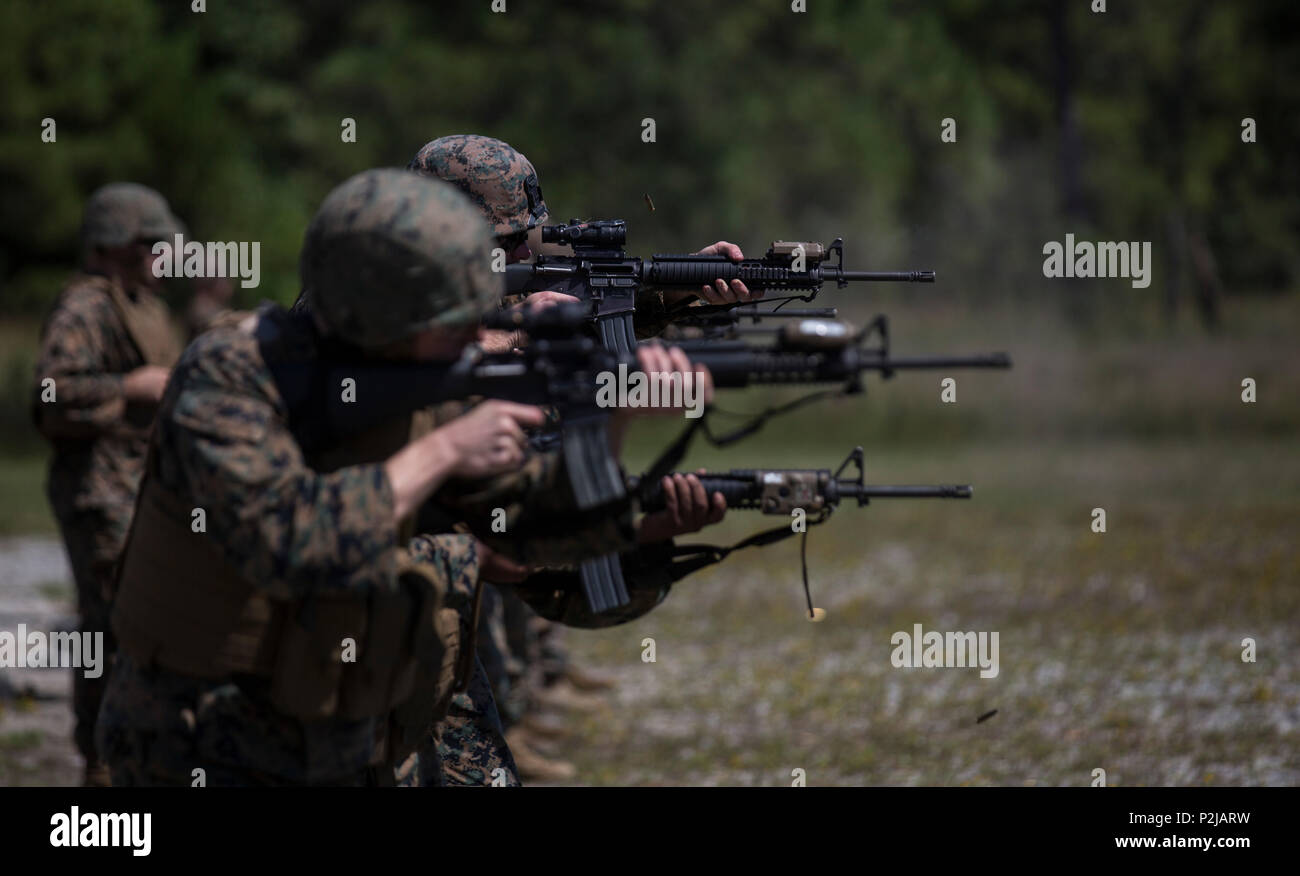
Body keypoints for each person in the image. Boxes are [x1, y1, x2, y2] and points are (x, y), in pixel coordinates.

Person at [96, 168, 717, 786]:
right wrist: (444, 450)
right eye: (449, 316)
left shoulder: (408, 375)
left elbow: (521, 532)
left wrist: (614, 428)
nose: (472, 333)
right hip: (199, 745)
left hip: (346, 724)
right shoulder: (229, 372)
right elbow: (289, 541)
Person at [407, 134, 736, 782]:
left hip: (429, 626)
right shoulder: (364, 317)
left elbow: (595, 302)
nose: (521, 255)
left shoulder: (488, 294)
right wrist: (518, 335)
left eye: (524, 239)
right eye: (501, 245)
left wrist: (679, 288)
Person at [31, 182, 185, 786]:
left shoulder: (139, 301)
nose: (164, 258)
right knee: (112, 629)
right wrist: (128, 388)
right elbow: (50, 394)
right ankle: (103, 767)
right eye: (153, 246)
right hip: (101, 493)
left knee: (141, 626)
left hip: (139, 490)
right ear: (119, 244)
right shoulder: (87, 306)